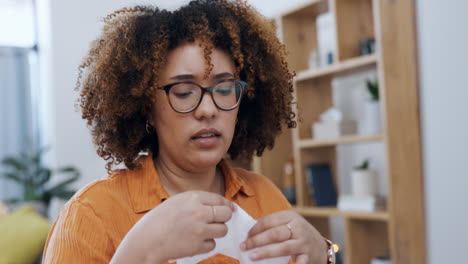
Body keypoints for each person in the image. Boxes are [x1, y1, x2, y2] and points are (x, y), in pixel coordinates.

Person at [42, 0, 332, 263]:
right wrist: (138, 254)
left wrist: (325, 255)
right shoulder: (91, 213)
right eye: (183, 92)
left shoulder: (263, 196)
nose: (208, 109)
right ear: (147, 109)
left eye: (224, 88)